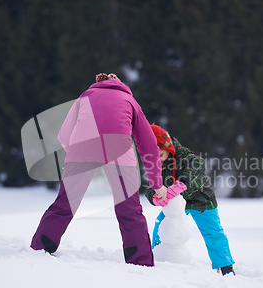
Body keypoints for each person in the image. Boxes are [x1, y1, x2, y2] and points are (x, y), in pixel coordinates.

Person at [31, 73, 166, 267]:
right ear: (120, 84)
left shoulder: (85, 96)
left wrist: (76, 158)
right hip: (119, 149)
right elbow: (148, 144)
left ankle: (40, 248)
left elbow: (64, 135)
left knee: (65, 203)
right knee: (129, 209)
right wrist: (157, 184)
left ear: (98, 83)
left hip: (82, 148)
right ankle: (140, 261)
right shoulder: (130, 100)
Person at [145, 124, 235, 275]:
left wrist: (182, 184)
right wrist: (154, 198)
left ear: (168, 148)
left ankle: (225, 267)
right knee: (161, 227)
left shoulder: (185, 156)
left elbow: (197, 167)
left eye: (160, 156)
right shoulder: (155, 164)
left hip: (202, 201)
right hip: (178, 204)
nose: (158, 161)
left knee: (213, 232)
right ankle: (158, 258)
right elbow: (151, 185)